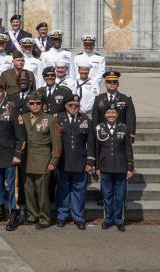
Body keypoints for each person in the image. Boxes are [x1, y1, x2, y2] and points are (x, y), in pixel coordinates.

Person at [0, 82, 26, 230]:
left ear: (4, 93)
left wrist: (18, 154)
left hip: (10, 155)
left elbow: (21, 135)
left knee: (13, 186)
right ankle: (0, 209)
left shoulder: (12, 108)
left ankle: (14, 213)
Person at [22, 91, 61, 229]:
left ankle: (44, 218)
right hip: (26, 159)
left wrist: (53, 162)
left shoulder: (50, 119)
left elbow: (57, 144)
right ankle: (32, 215)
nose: (35, 105)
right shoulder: (23, 118)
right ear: (28, 104)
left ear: (43, 105)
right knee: (29, 190)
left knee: (43, 192)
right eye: (32, 103)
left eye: (38, 103)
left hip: (43, 159)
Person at [56, 95, 95, 230]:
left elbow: (90, 143)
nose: (73, 108)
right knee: (63, 190)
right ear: (65, 106)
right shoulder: (58, 119)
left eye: (76, 105)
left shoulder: (86, 120)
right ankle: (62, 216)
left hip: (80, 161)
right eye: (70, 105)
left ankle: (78, 217)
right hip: (63, 161)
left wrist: (90, 161)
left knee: (79, 190)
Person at [95, 102, 134, 231]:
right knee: (107, 194)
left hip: (120, 166)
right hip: (105, 166)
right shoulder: (99, 128)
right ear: (105, 115)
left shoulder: (124, 128)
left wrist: (130, 168)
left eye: (113, 113)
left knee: (120, 194)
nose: (111, 115)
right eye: (108, 113)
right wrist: (97, 167)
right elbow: (97, 149)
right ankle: (108, 219)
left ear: (117, 115)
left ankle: (118, 219)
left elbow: (128, 149)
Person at [92, 71, 136, 143]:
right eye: (109, 82)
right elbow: (95, 118)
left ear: (118, 84)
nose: (112, 83)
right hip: (103, 133)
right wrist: (94, 133)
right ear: (105, 84)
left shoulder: (125, 99)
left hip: (120, 133)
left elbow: (130, 118)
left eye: (114, 82)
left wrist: (131, 134)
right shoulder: (99, 99)